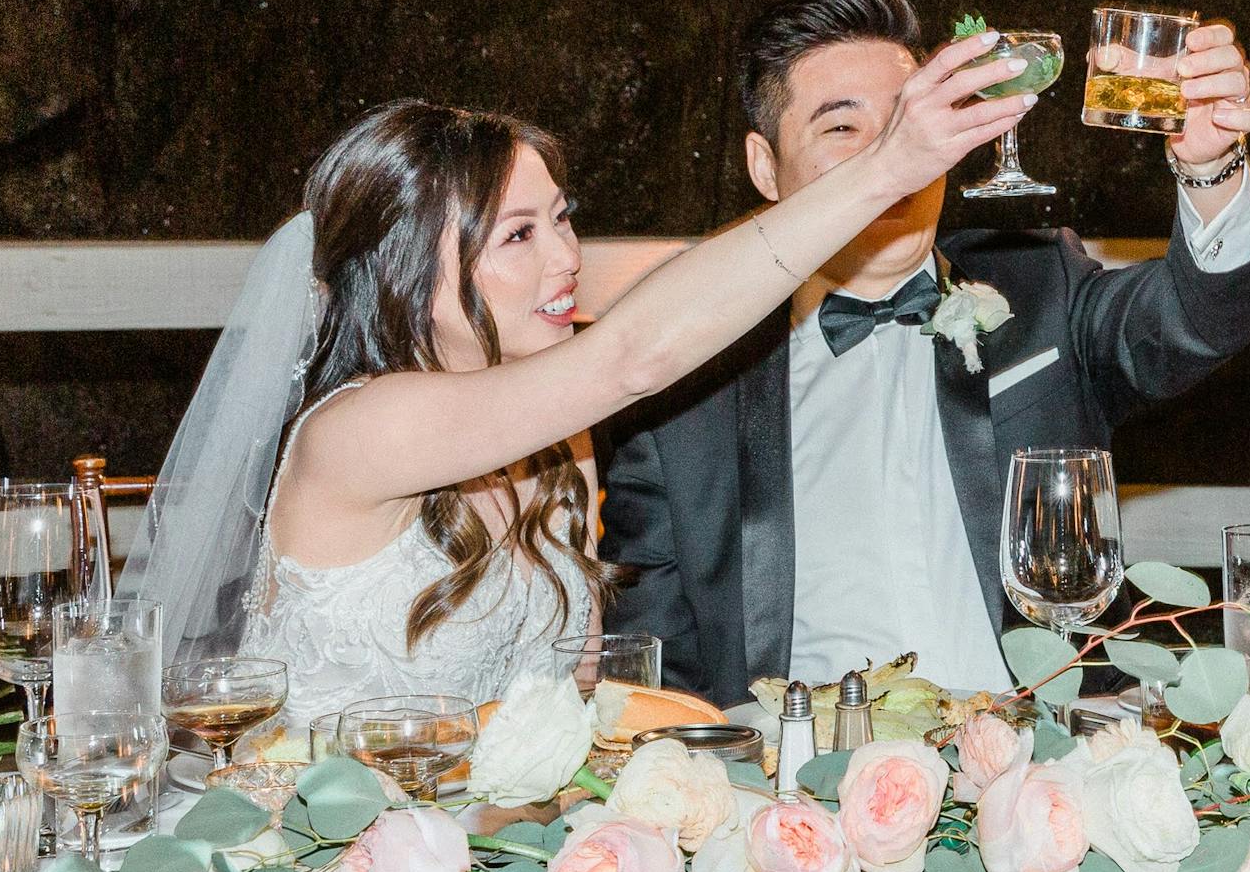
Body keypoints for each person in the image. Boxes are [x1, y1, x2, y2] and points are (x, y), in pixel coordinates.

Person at [132, 39, 1031, 722]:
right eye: (519, 235)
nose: (568, 259)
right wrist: (885, 170)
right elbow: (635, 354)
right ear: (407, 271)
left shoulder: (558, 444)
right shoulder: (362, 431)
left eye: (563, 219)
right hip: (322, 870)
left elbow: (584, 696)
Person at [600, 0, 1250, 701]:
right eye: (842, 129)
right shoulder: (690, 384)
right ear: (763, 166)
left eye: (905, 122)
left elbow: (1201, 318)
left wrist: (1211, 164)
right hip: (799, 785)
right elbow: (652, 679)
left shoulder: (1038, 288)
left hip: (1035, 774)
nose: (891, 156)